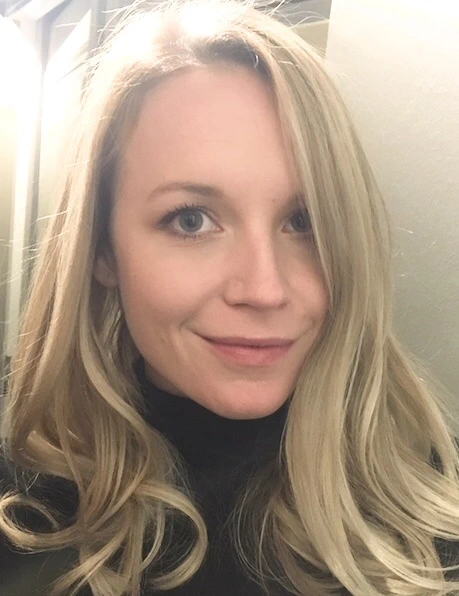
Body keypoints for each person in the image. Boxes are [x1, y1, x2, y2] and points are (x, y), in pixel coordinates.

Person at [1, 0, 459, 594]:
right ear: (102, 250)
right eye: (190, 219)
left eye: (304, 221)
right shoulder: (24, 506)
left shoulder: (436, 507)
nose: (264, 289)